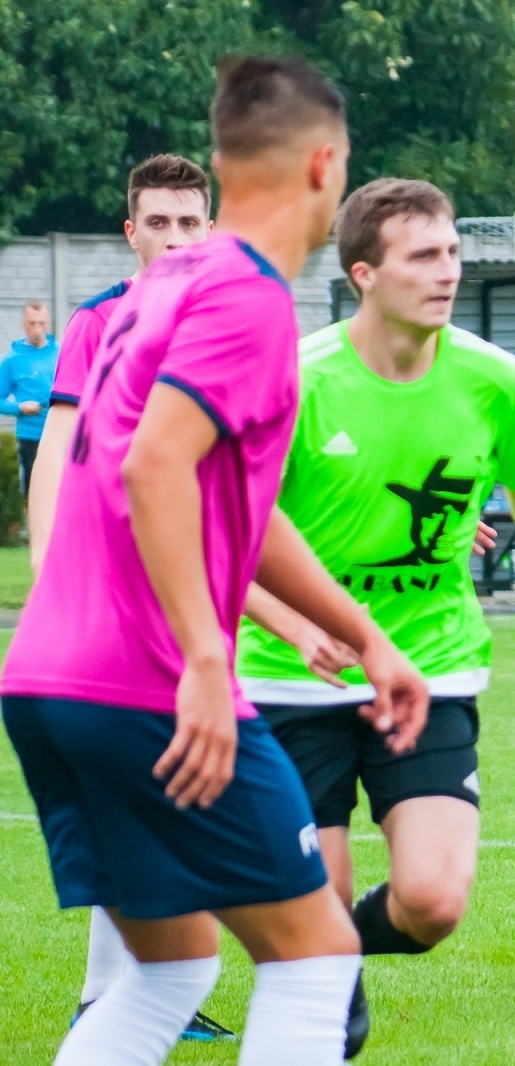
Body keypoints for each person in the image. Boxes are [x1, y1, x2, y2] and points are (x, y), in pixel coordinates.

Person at [2, 56, 432, 1066]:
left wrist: (366, 636)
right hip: (145, 681)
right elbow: (157, 468)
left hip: (46, 679)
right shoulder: (245, 300)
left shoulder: (156, 294)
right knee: (317, 956)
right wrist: (204, 658)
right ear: (326, 166)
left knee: (170, 969)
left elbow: (227, 503)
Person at [236, 177, 515, 1055]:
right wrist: (294, 625)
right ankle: (320, 970)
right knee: (313, 894)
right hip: (296, 679)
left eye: (452, 252)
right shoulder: (296, 381)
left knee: (435, 903)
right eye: (422, 256)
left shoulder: (493, 379)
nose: (446, 271)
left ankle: (325, 958)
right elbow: (227, 533)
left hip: (436, 664)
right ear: (364, 272)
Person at [24, 154, 233, 1041]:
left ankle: (132, 990)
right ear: (132, 232)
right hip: (113, 592)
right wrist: (48, 583)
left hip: (206, 592)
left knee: (178, 791)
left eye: (191, 223)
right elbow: (55, 454)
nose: (177, 239)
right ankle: (120, 995)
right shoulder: (98, 322)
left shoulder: (227, 321)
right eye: (160, 224)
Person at [3, 300, 57, 495]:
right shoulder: (12, 359)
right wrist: (20, 407)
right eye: (32, 323)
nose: (37, 329)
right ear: (24, 324)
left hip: (59, 434)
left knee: (60, 495)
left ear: (48, 323)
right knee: (34, 495)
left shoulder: (61, 353)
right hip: (30, 438)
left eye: (41, 323)